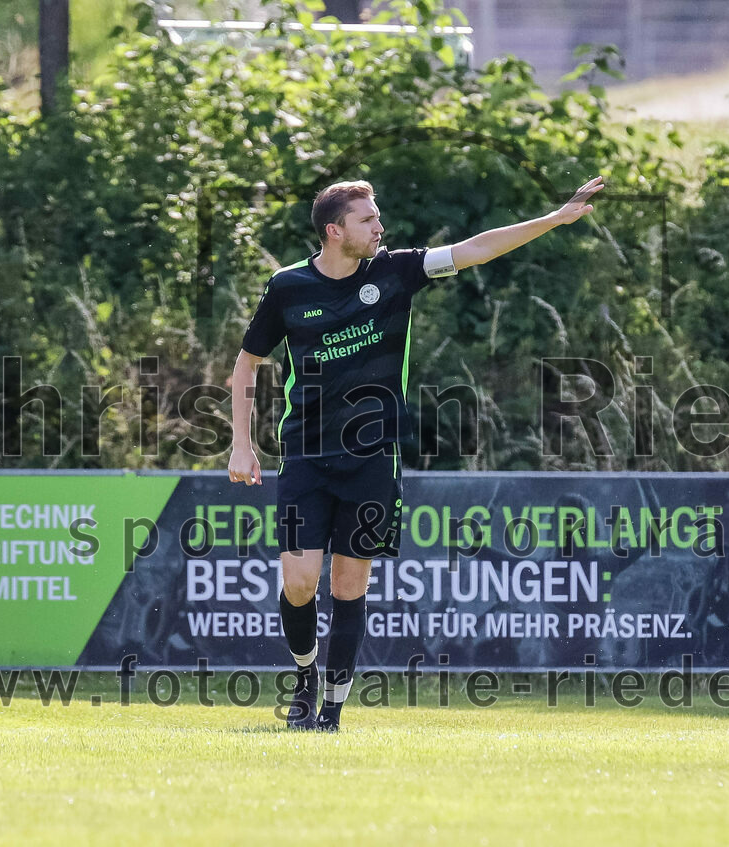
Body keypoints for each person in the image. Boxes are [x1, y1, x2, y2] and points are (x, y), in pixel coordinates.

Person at [228, 175, 605, 730]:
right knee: (300, 582)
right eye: (367, 219)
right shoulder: (287, 287)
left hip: (373, 456)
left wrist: (552, 219)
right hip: (306, 453)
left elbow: (475, 248)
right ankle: (305, 674)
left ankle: (330, 708)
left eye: (378, 217)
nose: (380, 227)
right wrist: (241, 443)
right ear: (334, 231)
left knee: (348, 584)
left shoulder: (396, 271)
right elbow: (245, 364)